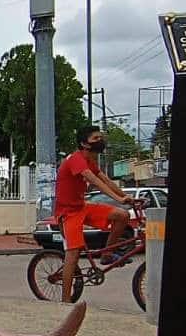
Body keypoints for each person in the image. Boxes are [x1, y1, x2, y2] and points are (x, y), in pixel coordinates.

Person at [54, 126, 134, 303]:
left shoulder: (91, 161)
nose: (100, 140)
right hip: (68, 213)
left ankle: (107, 254)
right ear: (84, 143)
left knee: (122, 215)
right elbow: (95, 182)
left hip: (82, 207)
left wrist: (126, 197)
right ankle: (65, 302)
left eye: (101, 137)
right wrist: (118, 198)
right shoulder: (76, 160)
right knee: (73, 255)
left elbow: (105, 179)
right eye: (95, 138)